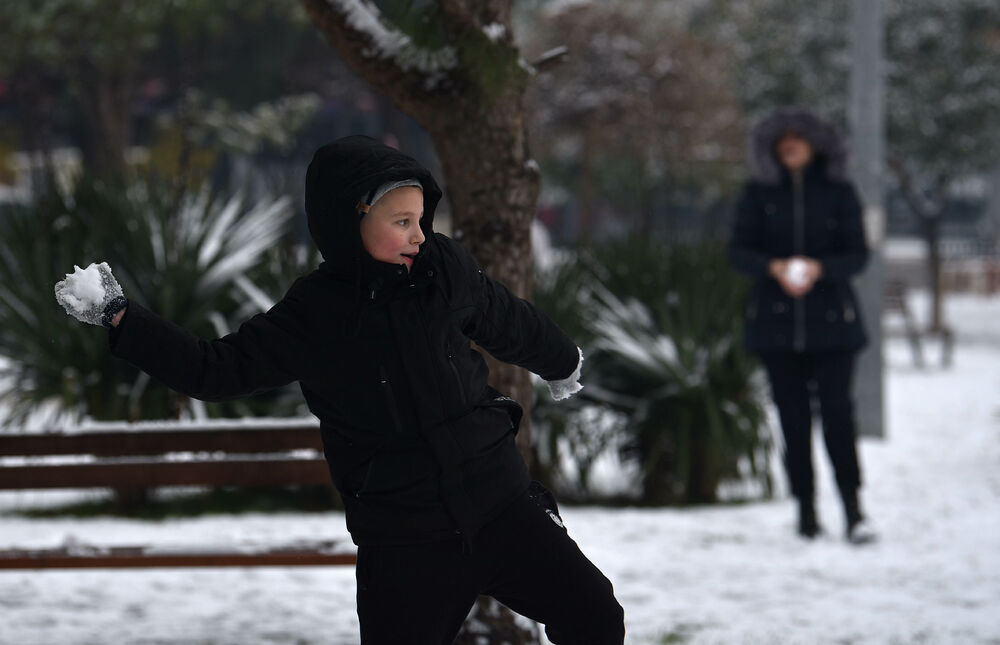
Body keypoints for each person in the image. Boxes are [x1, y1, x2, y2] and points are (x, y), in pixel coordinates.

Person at [54, 135, 625, 644]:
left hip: (501, 506)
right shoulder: (316, 312)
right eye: (401, 222)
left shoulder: (442, 270)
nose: (419, 235)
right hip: (406, 537)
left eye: (421, 219)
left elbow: (507, 319)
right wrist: (122, 318)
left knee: (594, 614)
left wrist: (560, 359)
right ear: (350, 221)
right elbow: (217, 369)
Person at [729, 107, 877, 545]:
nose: (790, 143)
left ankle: (853, 509)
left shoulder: (839, 192)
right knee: (792, 422)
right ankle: (806, 511)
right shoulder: (757, 193)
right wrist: (773, 267)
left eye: (799, 136)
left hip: (834, 329)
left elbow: (857, 255)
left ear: (817, 144)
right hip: (775, 330)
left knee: (838, 417)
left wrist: (819, 268)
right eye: (782, 137)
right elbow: (738, 251)